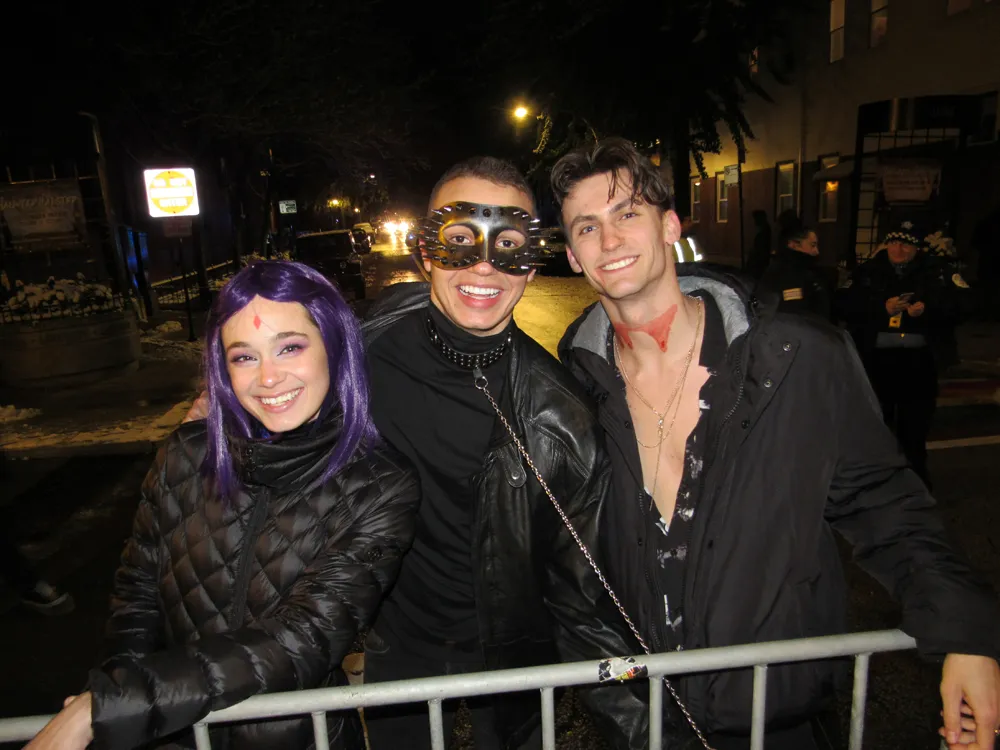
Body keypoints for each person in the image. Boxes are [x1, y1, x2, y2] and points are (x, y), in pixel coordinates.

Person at [551, 138, 1000, 750]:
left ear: (670, 227)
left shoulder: (794, 358)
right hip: (649, 720)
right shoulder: (574, 388)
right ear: (572, 256)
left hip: (772, 713)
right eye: (587, 227)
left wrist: (965, 634)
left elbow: (884, 502)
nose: (609, 240)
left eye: (627, 213)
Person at [25, 261, 420, 750]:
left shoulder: (379, 485)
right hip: (173, 732)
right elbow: (137, 595)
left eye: (290, 347)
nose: (268, 377)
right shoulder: (185, 454)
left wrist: (114, 704)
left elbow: (304, 639)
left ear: (334, 347)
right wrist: (120, 699)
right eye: (244, 357)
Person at [360, 157, 647, 750]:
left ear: (532, 263)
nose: (485, 264)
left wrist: (645, 725)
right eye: (460, 239)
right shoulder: (364, 347)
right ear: (426, 252)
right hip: (400, 639)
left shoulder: (559, 414)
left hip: (513, 651)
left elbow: (584, 589)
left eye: (509, 244)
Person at [840, 220, 971, 486]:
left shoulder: (936, 271)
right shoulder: (868, 271)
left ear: (917, 248)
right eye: (894, 243)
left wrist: (928, 309)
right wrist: (881, 308)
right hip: (876, 360)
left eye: (906, 245)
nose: (899, 250)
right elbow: (843, 304)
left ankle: (915, 483)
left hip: (919, 360)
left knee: (915, 428)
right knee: (877, 426)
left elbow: (965, 304)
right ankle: (879, 483)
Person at [756, 218, 832, 320]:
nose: (816, 251)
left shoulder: (806, 269)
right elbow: (792, 312)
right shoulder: (787, 272)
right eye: (812, 245)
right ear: (793, 245)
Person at [746, 209, 772, 280]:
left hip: (760, 261)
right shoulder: (764, 230)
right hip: (760, 260)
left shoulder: (764, 232)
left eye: (755, 219)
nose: (754, 221)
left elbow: (761, 247)